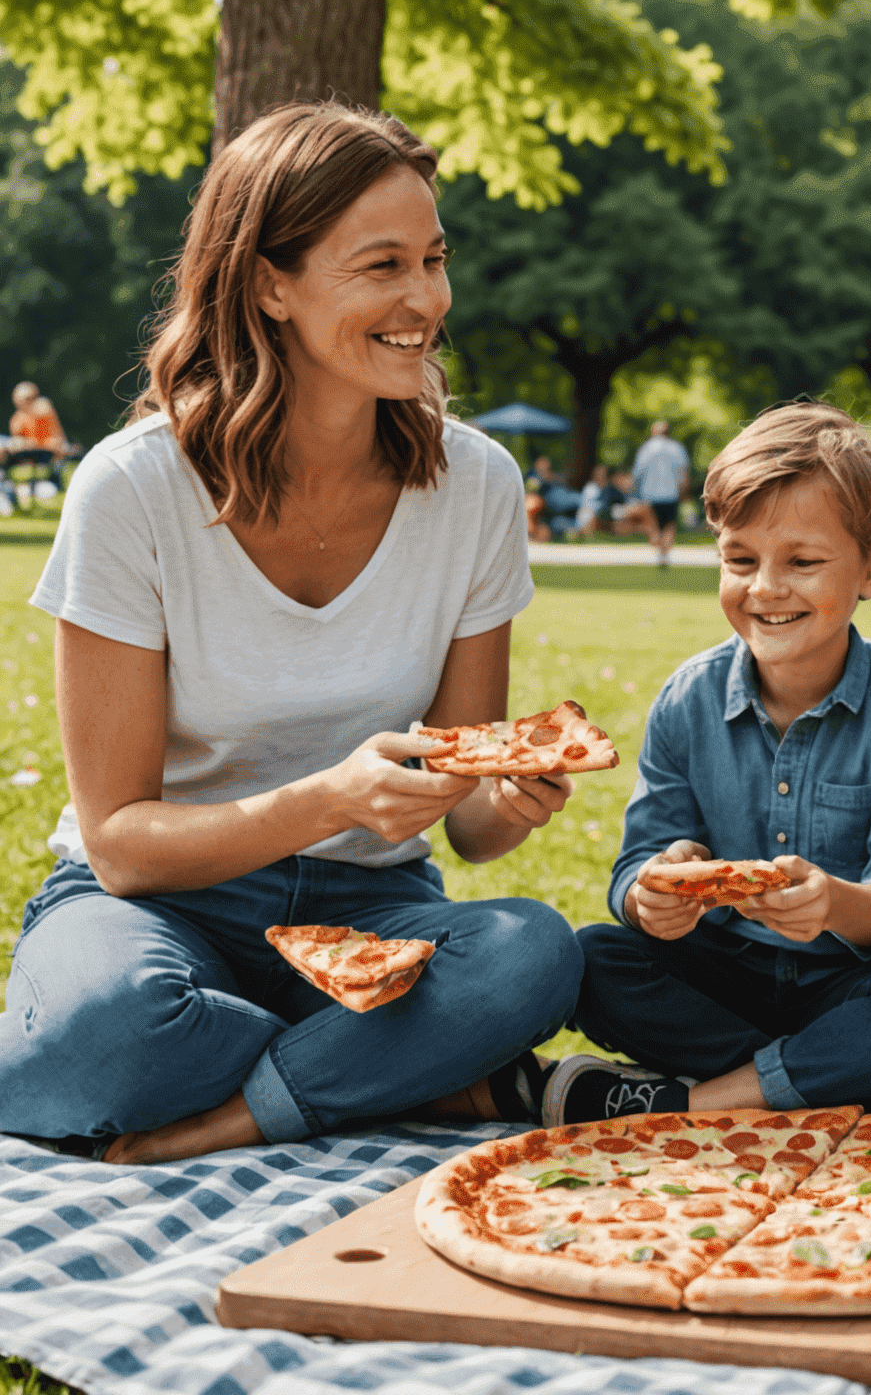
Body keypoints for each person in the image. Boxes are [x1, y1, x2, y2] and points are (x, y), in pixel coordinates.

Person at [0, 103, 585, 1165]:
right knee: (104, 1030)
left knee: (532, 956)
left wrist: (507, 796)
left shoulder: (478, 486)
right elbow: (122, 842)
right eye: (383, 266)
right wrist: (327, 799)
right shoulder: (133, 491)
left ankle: (244, 1107)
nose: (426, 299)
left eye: (435, 259)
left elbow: (465, 823)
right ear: (271, 283)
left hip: (377, 904)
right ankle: (396, 1070)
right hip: (159, 905)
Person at [546, 402, 871, 1124]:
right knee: (590, 959)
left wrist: (835, 904)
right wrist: (654, 893)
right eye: (740, 560)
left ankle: (699, 1100)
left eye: (803, 562)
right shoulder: (686, 701)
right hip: (718, 976)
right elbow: (633, 872)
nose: (765, 589)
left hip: (846, 982)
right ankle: (837, 1081)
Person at [631, 418, 691, 565]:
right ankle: (664, 554)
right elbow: (684, 473)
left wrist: (633, 487)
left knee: (653, 526)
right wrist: (684, 491)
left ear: (654, 432)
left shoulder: (647, 448)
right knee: (669, 524)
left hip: (650, 494)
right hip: (671, 493)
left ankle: (659, 547)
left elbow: (637, 472)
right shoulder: (677, 448)